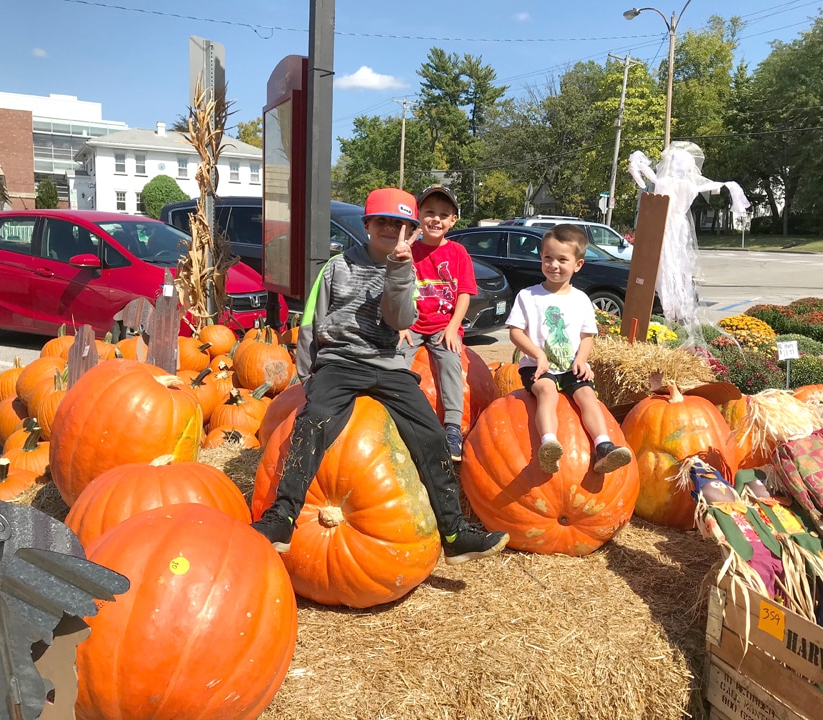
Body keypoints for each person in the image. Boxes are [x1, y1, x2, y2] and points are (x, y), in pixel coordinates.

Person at [251, 187, 509, 565]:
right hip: (340, 363)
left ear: (411, 229)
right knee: (313, 421)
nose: (391, 229)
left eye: (400, 224)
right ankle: (282, 518)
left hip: (388, 364)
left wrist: (400, 273)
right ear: (368, 224)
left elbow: (400, 318)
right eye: (383, 221)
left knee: (432, 435)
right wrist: (308, 375)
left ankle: (454, 531)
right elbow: (311, 319)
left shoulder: (407, 267)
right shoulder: (337, 267)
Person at [506, 224, 633, 475]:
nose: (553, 265)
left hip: (571, 366)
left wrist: (582, 361)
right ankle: (549, 444)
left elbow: (587, 336)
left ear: (578, 265)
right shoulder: (528, 296)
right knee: (547, 391)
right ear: (541, 258)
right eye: (547, 258)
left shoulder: (581, 299)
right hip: (537, 366)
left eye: (562, 259)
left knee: (588, 397)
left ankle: (603, 446)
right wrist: (538, 354)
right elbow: (515, 332)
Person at [399, 185, 476, 461]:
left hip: (444, 325)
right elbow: (397, 289)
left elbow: (465, 293)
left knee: (451, 365)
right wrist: (401, 325)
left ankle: (453, 428)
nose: (436, 219)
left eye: (443, 214)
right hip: (412, 324)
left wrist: (453, 327)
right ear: (419, 215)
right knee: (395, 364)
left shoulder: (457, 253)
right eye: (430, 212)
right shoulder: (409, 251)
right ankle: (396, 418)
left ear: (453, 220)